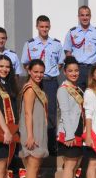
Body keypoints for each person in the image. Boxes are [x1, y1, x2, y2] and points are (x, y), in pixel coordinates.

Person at [22, 15, 65, 152]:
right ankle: (36, 140)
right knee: (35, 112)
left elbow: (60, 63)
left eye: (46, 26)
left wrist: (49, 74)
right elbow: (26, 64)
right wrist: (35, 78)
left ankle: (51, 144)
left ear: (50, 27)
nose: (44, 29)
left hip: (51, 82)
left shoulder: (56, 44)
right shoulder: (30, 44)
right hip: (36, 83)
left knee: (51, 112)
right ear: (37, 27)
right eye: (41, 26)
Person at [18, 59, 49, 178]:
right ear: (29, 71)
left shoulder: (37, 87)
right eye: (35, 71)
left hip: (37, 129)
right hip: (32, 131)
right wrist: (30, 135)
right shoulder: (30, 89)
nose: (38, 75)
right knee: (32, 168)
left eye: (41, 72)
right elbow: (28, 113)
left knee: (34, 168)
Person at [56, 56, 84, 178]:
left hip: (78, 130)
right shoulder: (63, 89)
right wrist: (69, 135)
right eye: (70, 71)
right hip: (69, 132)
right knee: (69, 165)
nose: (74, 73)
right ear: (65, 72)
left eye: (76, 71)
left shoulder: (77, 88)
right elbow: (65, 113)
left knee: (74, 165)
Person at [63, 6, 96, 90]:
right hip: (78, 69)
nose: (85, 17)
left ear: (90, 16)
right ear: (78, 17)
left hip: (93, 68)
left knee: (94, 92)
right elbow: (68, 51)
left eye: (87, 15)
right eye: (82, 15)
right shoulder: (72, 32)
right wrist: (73, 67)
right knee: (78, 94)